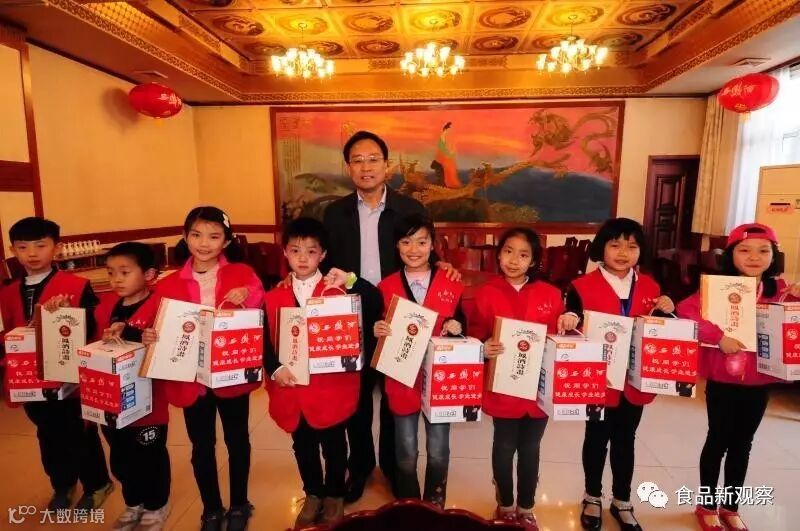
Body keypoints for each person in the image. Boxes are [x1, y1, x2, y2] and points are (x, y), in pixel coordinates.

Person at [322, 130, 438, 502]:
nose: (366, 167)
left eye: (373, 159)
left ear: (386, 165)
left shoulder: (409, 209)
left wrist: (445, 268)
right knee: (355, 398)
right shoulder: (334, 213)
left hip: (396, 315)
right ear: (348, 167)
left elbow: (427, 255)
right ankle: (359, 466)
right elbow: (324, 264)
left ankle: (392, 465)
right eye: (358, 160)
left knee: (394, 396)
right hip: (351, 316)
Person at [144, 206, 264, 531]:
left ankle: (239, 503)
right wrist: (147, 333)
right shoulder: (169, 284)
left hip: (231, 375)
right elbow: (150, 320)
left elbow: (259, 300)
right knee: (201, 446)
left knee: (237, 440)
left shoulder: (241, 273)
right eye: (196, 235)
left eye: (214, 236)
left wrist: (247, 294)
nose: (204, 243)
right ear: (185, 237)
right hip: (191, 381)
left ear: (226, 241)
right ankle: (211, 508)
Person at [677, 223, 800, 531]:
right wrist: (717, 336)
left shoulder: (780, 290)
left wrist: (796, 301)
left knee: (743, 444)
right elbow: (685, 311)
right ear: (730, 255)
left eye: (763, 251)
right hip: (722, 379)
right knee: (717, 440)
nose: (754, 257)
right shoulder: (717, 288)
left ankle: (730, 507)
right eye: (744, 250)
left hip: (760, 381)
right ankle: (706, 505)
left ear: (774, 256)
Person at [262, 217, 379, 529]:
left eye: (311, 251)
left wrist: (350, 279)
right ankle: (313, 492)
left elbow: (374, 303)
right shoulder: (273, 297)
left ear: (323, 255)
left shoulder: (338, 293)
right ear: (284, 252)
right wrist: (275, 368)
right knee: (302, 445)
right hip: (292, 387)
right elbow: (265, 340)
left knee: (334, 445)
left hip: (331, 388)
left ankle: (335, 494)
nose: (302, 258)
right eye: (295, 250)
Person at [559, 218, 674, 531]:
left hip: (634, 379)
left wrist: (669, 308)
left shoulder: (651, 287)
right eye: (615, 245)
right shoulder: (581, 286)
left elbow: (664, 327)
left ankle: (622, 499)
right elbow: (571, 316)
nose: (623, 252)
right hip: (598, 378)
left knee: (626, 439)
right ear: (602, 248)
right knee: (596, 439)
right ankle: (592, 496)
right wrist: (569, 318)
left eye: (632, 246)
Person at [0, 217, 112, 511]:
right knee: (47, 434)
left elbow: (93, 327)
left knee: (79, 432)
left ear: (57, 248)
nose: (32, 253)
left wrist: (67, 314)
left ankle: (97, 483)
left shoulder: (76, 285)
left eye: (40, 245)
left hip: (67, 378)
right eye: (23, 247)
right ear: (13, 250)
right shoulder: (8, 291)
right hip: (29, 380)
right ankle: (62, 483)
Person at [468, 227, 563, 530]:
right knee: (504, 445)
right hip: (503, 386)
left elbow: (559, 340)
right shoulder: (486, 293)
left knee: (531, 448)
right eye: (508, 251)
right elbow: (475, 333)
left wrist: (569, 322)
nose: (513, 260)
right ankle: (505, 504)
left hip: (537, 389)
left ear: (533, 261)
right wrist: (483, 346)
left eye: (523, 255)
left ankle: (527, 507)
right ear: (498, 255)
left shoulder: (551, 294)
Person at [373, 214, 465, 508]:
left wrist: (457, 327)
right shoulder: (385, 286)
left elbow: (463, 323)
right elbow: (378, 327)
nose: (414, 249)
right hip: (401, 379)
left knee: (438, 450)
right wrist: (378, 329)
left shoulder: (451, 281)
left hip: (440, 379)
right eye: (406, 242)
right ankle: (410, 505)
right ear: (397, 246)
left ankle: (435, 504)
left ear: (432, 244)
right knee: (406, 451)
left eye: (422, 242)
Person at [94, 242, 170, 531]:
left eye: (125, 272)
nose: (116, 279)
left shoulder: (162, 307)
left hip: (149, 402)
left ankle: (156, 504)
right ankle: (133, 501)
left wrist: (139, 335)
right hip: (112, 400)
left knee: (150, 454)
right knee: (121, 456)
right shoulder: (105, 307)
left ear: (148, 274)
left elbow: (173, 346)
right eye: (111, 272)